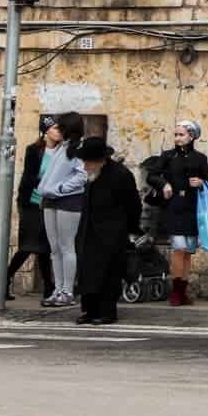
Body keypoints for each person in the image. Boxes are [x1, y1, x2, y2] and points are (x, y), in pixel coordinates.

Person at [73, 137, 141, 326]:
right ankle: (89, 310)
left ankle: (107, 312)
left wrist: (129, 229)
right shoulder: (92, 175)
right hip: (89, 231)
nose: (85, 166)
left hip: (112, 232)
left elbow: (133, 205)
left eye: (88, 162)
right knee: (87, 273)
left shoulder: (120, 175)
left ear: (100, 160)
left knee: (109, 274)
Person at [146, 119, 208, 306]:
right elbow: (152, 175)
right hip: (174, 205)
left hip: (192, 207)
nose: (177, 138)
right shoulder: (167, 156)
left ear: (191, 136)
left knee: (189, 250)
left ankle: (183, 290)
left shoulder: (200, 158)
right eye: (176, 135)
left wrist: (200, 183)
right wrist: (164, 184)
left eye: (181, 135)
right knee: (179, 248)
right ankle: (175, 291)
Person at [36, 111, 87, 307]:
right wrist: (48, 190)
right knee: (55, 249)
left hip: (68, 201)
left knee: (66, 247)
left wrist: (61, 189)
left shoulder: (78, 148)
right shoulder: (61, 147)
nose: (57, 130)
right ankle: (58, 289)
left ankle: (67, 291)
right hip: (50, 199)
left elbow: (81, 176)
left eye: (60, 127)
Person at [4, 115, 56, 301]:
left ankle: (49, 288)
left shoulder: (61, 151)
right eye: (55, 128)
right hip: (31, 202)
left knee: (44, 247)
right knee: (28, 245)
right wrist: (46, 182)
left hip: (49, 203)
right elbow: (29, 177)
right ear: (46, 131)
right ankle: (5, 278)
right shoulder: (34, 150)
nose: (58, 132)